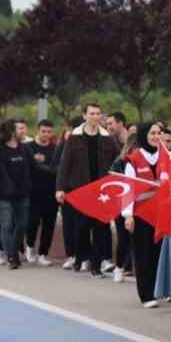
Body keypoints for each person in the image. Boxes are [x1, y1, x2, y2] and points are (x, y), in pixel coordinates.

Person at [56, 103, 119, 277]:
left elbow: (118, 160)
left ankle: (96, 266)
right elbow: (64, 164)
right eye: (91, 113)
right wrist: (60, 188)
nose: (95, 117)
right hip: (80, 189)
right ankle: (81, 257)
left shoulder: (108, 138)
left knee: (100, 227)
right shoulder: (74, 137)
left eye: (98, 113)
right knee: (82, 227)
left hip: (101, 191)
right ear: (84, 115)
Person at [122, 121, 166, 307]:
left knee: (158, 253)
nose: (156, 136)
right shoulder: (134, 159)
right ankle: (146, 294)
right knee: (143, 254)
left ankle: (158, 290)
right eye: (152, 133)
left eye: (159, 133)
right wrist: (128, 215)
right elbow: (128, 188)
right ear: (143, 136)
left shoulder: (167, 156)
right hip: (140, 214)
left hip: (162, 213)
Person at [0, 120, 31, 269]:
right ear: (11, 132)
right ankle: (12, 256)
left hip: (23, 193)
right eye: (18, 129)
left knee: (22, 225)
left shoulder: (24, 149)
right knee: (6, 226)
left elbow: (34, 167)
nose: (21, 131)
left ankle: (13, 251)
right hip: (4, 195)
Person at [24, 120, 61, 263]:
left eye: (49, 132)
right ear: (38, 131)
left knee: (49, 224)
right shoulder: (28, 147)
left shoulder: (56, 149)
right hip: (33, 192)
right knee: (32, 222)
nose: (46, 134)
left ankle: (43, 254)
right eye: (43, 131)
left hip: (51, 192)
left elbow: (57, 169)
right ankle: (30, 246)